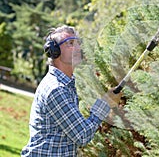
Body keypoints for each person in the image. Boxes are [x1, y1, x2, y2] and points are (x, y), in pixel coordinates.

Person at [21, 25, 122, 156]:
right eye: (70, 43)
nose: (78, 47)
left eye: (78, 43)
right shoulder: (56, 89)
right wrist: (106, 103)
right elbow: (82, 135)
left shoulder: (66, 84)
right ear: (54, 51)